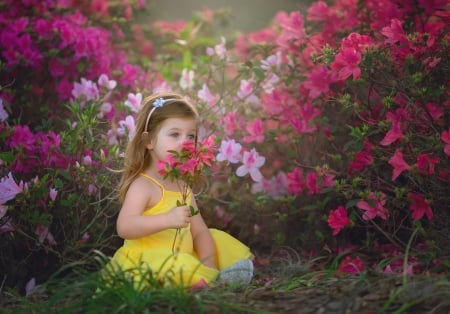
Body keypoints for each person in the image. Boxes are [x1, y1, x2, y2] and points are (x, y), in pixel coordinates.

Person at [105, 92, 254, 288]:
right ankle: (192, 285)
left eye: (190, 136)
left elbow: (199, 231)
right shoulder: (144, 185)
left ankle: (212, 276)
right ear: (148, 141)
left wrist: (208, 263)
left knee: (214, 239)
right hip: (147, 261)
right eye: (175, 134)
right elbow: (125, 227)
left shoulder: (182, 186)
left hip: (181, 256)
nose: (185, 142)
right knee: (176, 264)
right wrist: (167, 219)